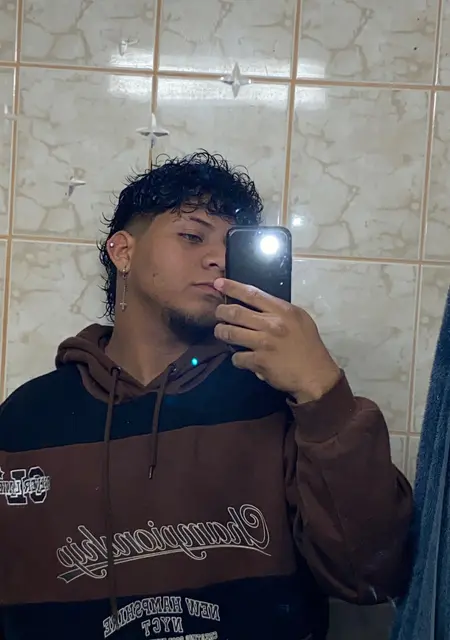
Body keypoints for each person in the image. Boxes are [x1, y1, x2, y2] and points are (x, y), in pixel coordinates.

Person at [0, 151, 412, 640]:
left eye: (231, 245)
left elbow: (371, 576)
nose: (219, 260)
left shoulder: (277, 401)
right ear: (123, 251)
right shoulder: (25, 421)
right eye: (192, 236)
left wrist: (322, 392)